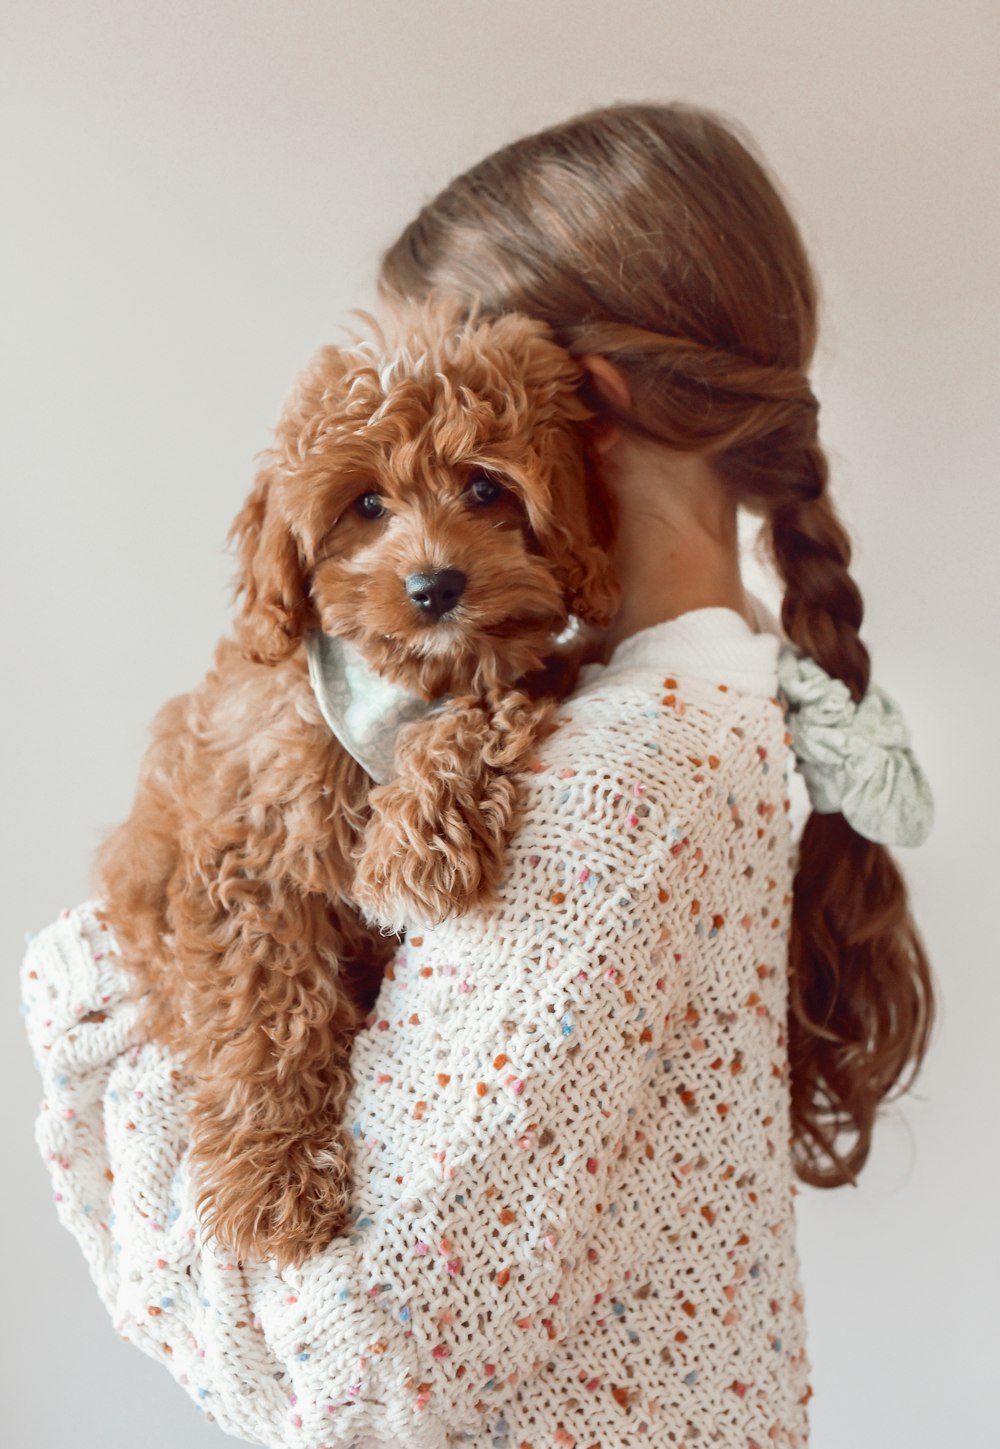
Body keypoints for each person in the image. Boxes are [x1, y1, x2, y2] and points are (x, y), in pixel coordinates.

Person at [22, 102, 934, 1449]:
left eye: (477, 469)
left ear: (579, 412)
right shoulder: (713, 707)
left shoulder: (617, 783)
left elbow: (367, 1368)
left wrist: (89, 999)